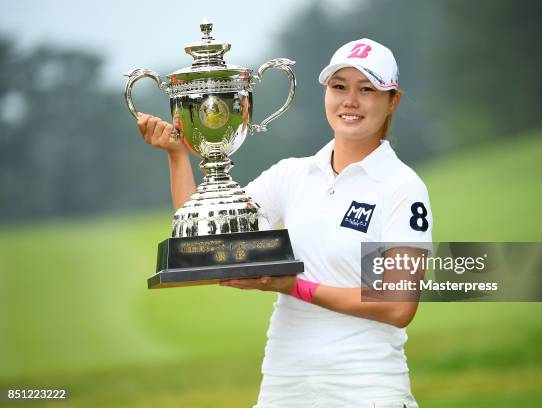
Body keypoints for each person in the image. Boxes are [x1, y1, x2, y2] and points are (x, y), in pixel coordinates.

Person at [137, 38, 432, 408]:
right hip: (285, 385)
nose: (350, 101)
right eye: (339, 87)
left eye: (367, 89)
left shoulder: (402, 188)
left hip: (367, 387)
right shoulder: (291, 176)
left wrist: (296, 286)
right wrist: (178, 157)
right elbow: (210, 247)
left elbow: (398, 306)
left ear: (393, 101)